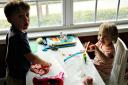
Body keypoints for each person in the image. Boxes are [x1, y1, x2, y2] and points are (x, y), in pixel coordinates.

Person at [4, 1, 51, 85]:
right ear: (10, 19)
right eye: (20, 16)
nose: (26, 19)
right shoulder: (18, 37)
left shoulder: (14, 30)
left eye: (27, 14)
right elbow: (32, 58)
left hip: (13, 71)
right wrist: (46, 63)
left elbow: (22, 52)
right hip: (17, 77)